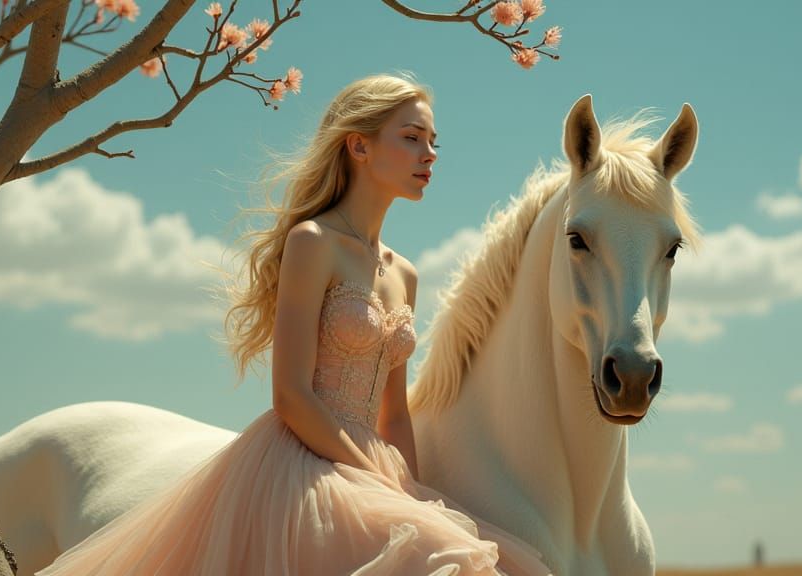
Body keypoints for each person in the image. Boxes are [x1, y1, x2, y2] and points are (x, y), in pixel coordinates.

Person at [35, 74, 551, 575]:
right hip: (303, 463)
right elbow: (290, 395)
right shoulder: (313, 242)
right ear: (359, 146)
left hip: (378, 474)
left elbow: (394, 416)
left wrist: (411, 498)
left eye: (433, 141)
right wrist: (367, 475)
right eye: (412, 138)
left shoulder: (406, 274)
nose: (429, 153)